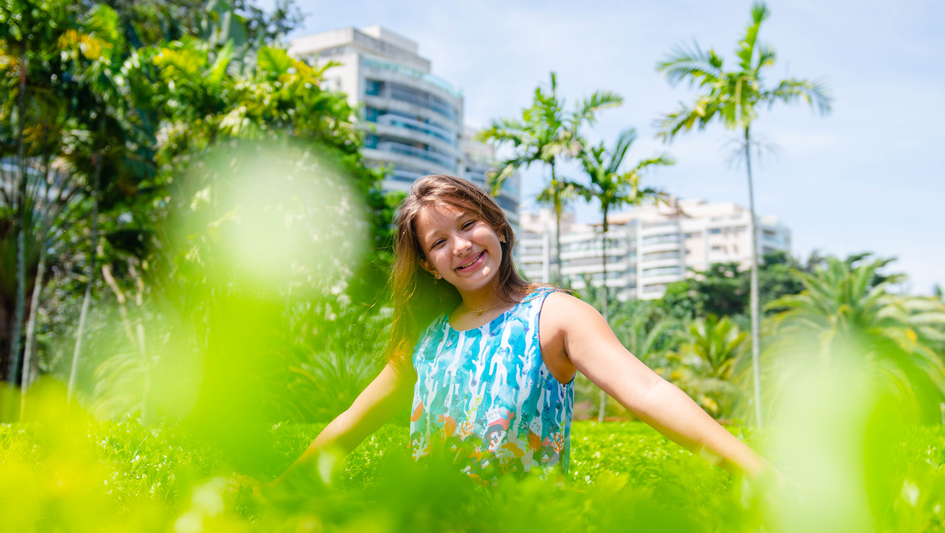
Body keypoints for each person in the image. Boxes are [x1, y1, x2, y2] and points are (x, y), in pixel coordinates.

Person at [282, 174, 772, 485]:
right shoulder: (427, 339)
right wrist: (281, 487)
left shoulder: (555, 315)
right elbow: (353, 421)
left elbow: (646, 391)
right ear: (430, 265)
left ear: (497, 226)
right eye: (438, 242)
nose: (460, 246)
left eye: (469, 224)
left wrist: (761, 477)